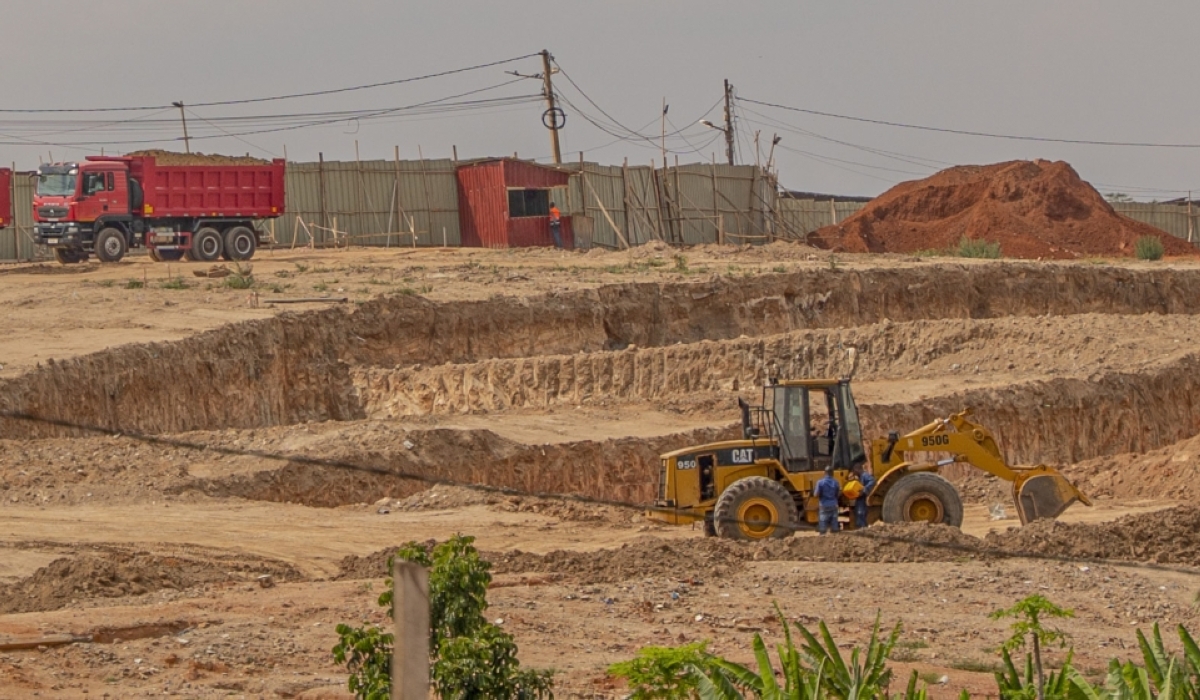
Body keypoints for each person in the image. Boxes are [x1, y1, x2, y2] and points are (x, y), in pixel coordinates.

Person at [815, 466, 841, 534]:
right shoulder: (836, 482)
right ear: (833, 473)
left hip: (824, 506)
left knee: (823, 528)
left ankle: (823, 539)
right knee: (834, 526)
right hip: (833, 505)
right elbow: (838, 494)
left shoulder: (820, 482)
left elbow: (816, 494)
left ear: (825, 473)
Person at [851, 463, 876, 529]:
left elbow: (872, 480)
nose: (854, 472)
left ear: (857, 469)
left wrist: (864, 489)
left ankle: (863, 528)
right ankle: (861, 527)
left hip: (862, 498)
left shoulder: (865, 475)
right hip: (859, 498)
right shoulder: (860, 476)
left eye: (854, 470)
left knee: (860, 512)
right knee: (859, 512)